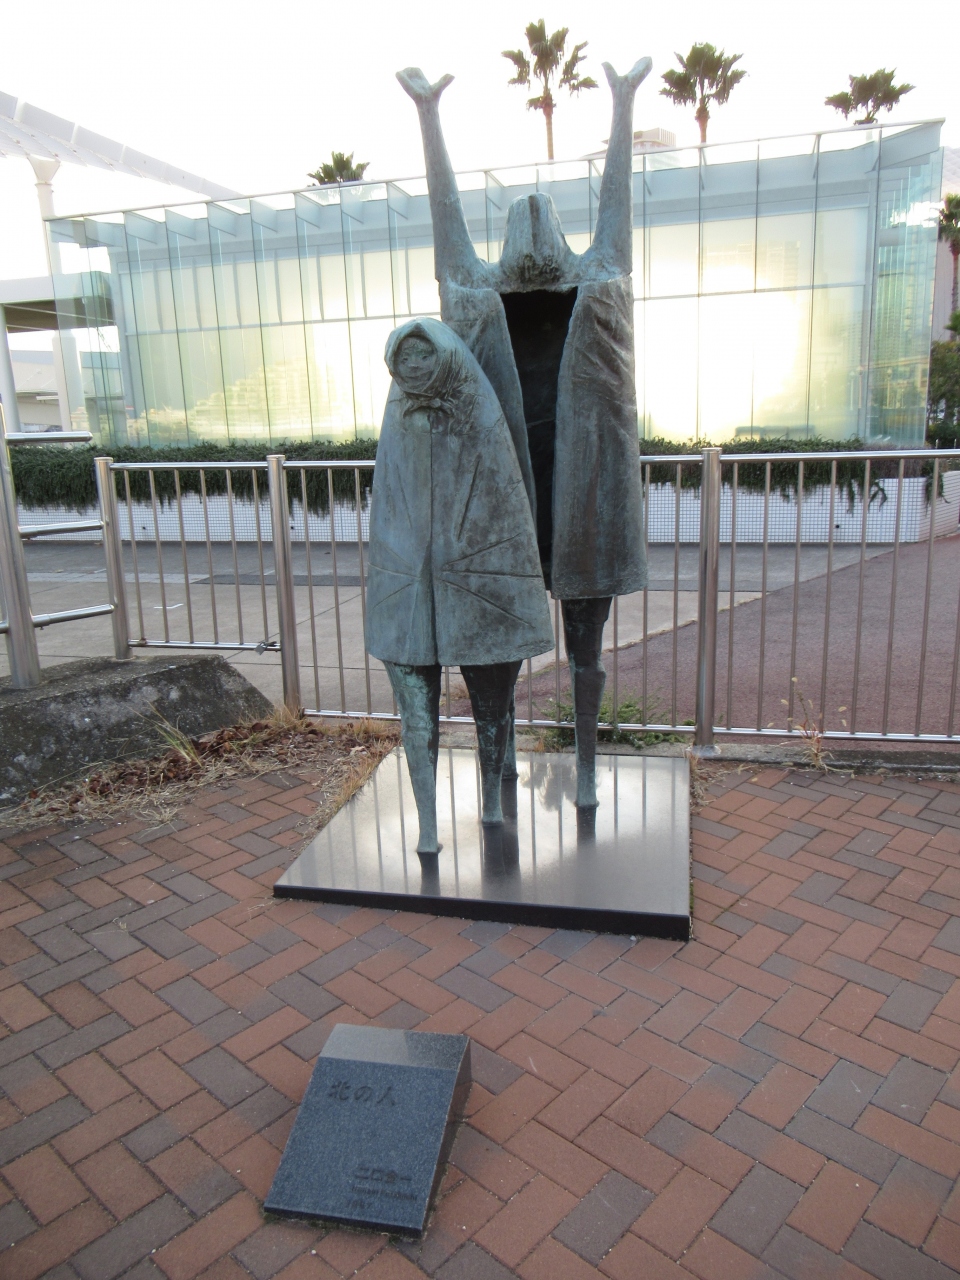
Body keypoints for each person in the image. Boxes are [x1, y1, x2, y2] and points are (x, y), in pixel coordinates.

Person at [397, 56, 651, 809]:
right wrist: (428, 117)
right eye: (522, 215)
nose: (533, 218)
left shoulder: (600, 279)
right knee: (494, 653)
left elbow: (617, 213)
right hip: (498, 506)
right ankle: (499, 771)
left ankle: (586, 769)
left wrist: (623, 107)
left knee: (587, 651)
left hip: (584, 499)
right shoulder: (475, 293)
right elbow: (446, 226)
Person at [365, 317, 554, 854]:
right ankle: (428, 828)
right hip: (406, 587)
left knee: (491, 706)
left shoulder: (478, 407)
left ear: (444, 355)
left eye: (423, 356)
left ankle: (492, 803)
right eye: (405, 359)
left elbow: (502, 500)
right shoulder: (398, 415)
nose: (414, 368)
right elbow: (390, 504)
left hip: (480, 584)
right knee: (415, 715)